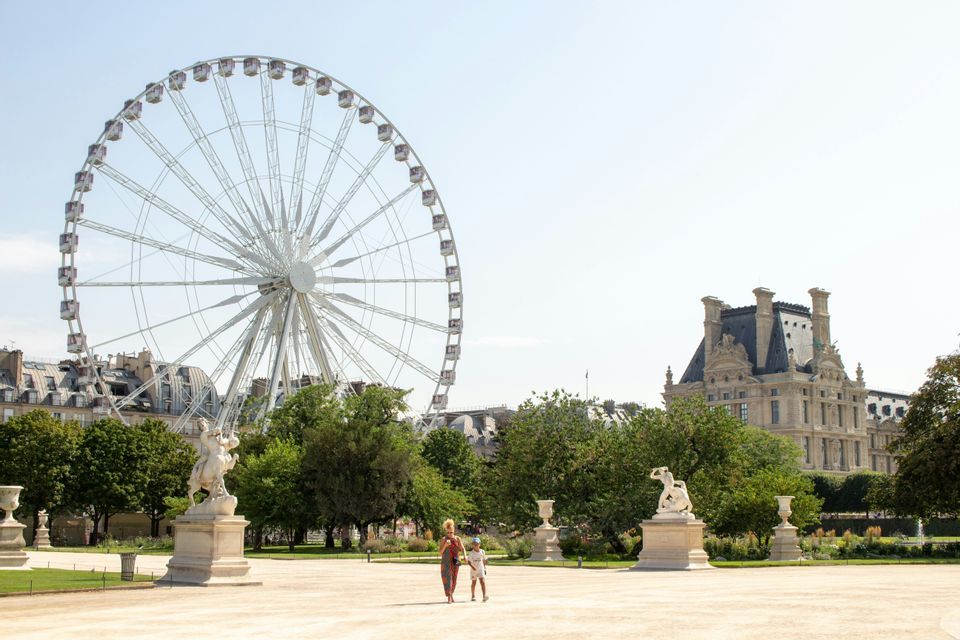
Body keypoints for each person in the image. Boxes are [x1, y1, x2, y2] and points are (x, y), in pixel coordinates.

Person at [438, 518, 466, 603]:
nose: (450, 534)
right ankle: (449, 596)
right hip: (446, 561)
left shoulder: (457, 539)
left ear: (454, 531)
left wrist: (465, 556)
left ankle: (451, 594)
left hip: (456, 559)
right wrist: (445, 545)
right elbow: (440, 552)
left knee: (454, 578)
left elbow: (462, 548)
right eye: (448, 532)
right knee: (448, 578)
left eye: (451, 532)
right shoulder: (444, 539)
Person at [467, 537, 489, 602]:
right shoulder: (471, 553)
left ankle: (484, 596)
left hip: (481, 569)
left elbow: (484, 560)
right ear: (472, 545)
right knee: (474, 583)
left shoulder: (482, 551)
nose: (475, 545)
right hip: (473, 570)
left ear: (479, 544)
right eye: (474, 544)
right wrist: (473, 567)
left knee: (482, 582)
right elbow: (469, 562)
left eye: (477, 543)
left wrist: (485, 567)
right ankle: (473, 596)